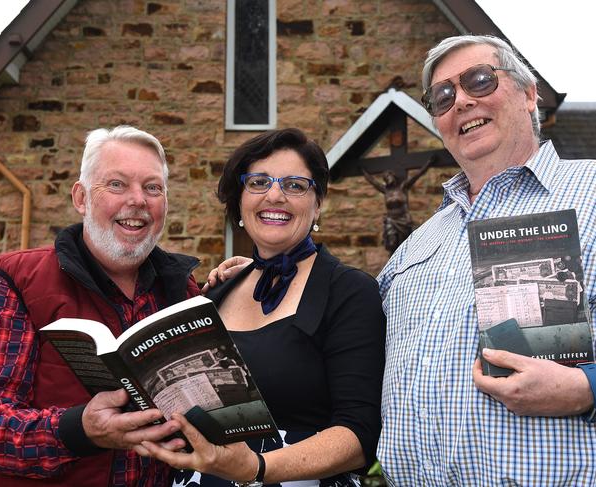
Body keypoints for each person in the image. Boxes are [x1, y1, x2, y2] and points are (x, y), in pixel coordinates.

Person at [377, 35, 596, 485]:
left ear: (529, 93)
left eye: (478, 81)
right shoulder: (414, 247)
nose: (459, 101)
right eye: (441, 96)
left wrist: (587, 389)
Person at [0, 126, 200, 486]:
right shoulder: (17, 282)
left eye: (152, 188)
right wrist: (76, 430)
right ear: (81, 198)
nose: (138, 200)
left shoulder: (184, 291)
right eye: (117, 184)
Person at [137, 128, 385, 486]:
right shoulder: (216, 293)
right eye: (258, 182)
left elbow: (360, 434)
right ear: (240, 202)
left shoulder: (348, 291)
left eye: (295, 185)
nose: (275, 195)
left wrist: (257, 468)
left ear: (318, 204)